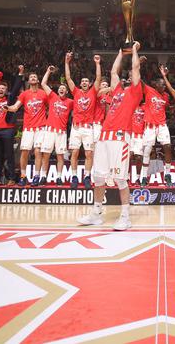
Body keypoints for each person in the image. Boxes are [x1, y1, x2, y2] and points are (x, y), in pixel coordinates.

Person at [77, 42, 143, 231]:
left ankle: (125, 217)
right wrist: (120, 52)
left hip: (121, 138)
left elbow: (136, 67)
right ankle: (96, 213)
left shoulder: (136, 92)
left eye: (132, 76)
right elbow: (114, 72)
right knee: (98, 177)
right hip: (104, 137)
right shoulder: (118, 91)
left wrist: (135, 50)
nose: (129, 76)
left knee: (120, 179)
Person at [65, 53, 102, 189]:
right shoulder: (75, 92)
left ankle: (87, 177)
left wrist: (97, 63)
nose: (85, 83)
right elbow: (68, 78)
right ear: (80, 84)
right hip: (76, 128)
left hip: (88, 128)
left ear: (89, 84)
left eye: (87, 81)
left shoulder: (93, 92)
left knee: (88, 153)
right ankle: (74, 176)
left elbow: (98, 78)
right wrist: (67, 62)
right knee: (74, 153)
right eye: (83, 81)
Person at [8, 70, 48, 186]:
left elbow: (51, 107)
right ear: (29, 80)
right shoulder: (24, 94)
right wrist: (6, 108)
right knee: (24, 151)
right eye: (31, 77)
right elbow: (15, 107)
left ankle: (36, 176)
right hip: (28, 128)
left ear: (38, 80)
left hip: (41, 127)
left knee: (37, 151)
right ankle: (23, 176)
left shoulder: (43, 94)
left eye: (35, 76)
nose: (33, 78)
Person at [40, 65, 75, 185]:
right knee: (46, 155)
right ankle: (43, 176)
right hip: (49, 130)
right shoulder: (53, 97)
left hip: (61, 132)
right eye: (60, 88)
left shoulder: (70, 102)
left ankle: (59, 177)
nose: (61, 90)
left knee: (60, 157)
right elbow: (43, 84)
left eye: (63, 89)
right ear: (58, 90)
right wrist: (48, 71)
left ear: (66, 91)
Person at [139, 76, 173, 186]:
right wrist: (138, 65)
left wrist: (174, 108)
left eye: (164, 85)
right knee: (147, 150)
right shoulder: (149, 90)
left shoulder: (166, 96)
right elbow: (140, 80)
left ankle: (167, 174)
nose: (164, 86)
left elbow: (166, 107)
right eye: (162, 84)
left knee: (167, 146)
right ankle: (144, 177)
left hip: (162, 124)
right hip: (150, 125)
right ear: (156, 85)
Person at [130, 104, 146, 184]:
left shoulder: (146, 106)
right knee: (128, 157)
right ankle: (126, 177)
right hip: (130, 135)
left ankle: (138, 178)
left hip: (141, 136)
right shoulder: (130, 104)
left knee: (139, 157)